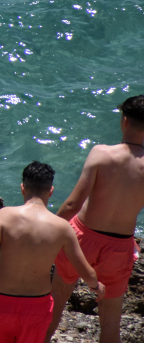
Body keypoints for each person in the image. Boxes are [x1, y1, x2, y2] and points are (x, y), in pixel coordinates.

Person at [0, 161, 104, 343]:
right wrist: (96, 286)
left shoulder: (5, 215)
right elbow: (84, 270)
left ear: (22, 188)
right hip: (36, 306)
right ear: (50, 191)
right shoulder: (62, 227)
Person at [44, 95, 144, 343]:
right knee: (110, 325)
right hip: (120, 247)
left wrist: (48, 229)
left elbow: (72, 204)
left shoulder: (101, 153)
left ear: (124, 121)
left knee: (54, 307)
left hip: (81, 238)